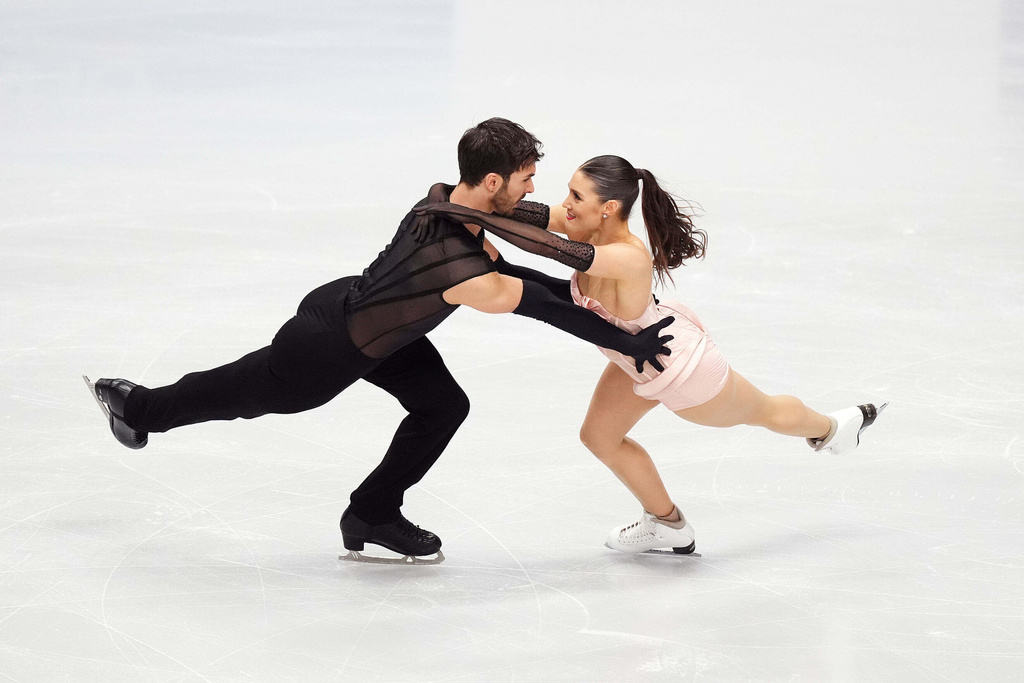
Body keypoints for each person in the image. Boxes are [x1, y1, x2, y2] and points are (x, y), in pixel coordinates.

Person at [85, 122, 676, 563]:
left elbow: (538, 236)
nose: (533, 190)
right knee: (237, 391)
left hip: (380, 329)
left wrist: (607, 302)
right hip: (327, 346)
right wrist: (627, 342)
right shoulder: (466, 272)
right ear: (494, 181)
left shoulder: (447, 194)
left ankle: (371, 512)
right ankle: (137, 407)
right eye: (524, 179)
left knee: (443, 405)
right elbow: (541, 303)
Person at [414, 154, 887, 556]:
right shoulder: (586, 225)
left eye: (576, 196)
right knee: (599, 436)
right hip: (632, 358)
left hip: (683, 369)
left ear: (609, 208)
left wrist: (475, 219)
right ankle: (668, 524)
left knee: (763, 411)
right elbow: (535, 219)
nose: (566, 204)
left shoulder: (627, 256)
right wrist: (459, 206)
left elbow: (551, 247)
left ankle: (833, 428)